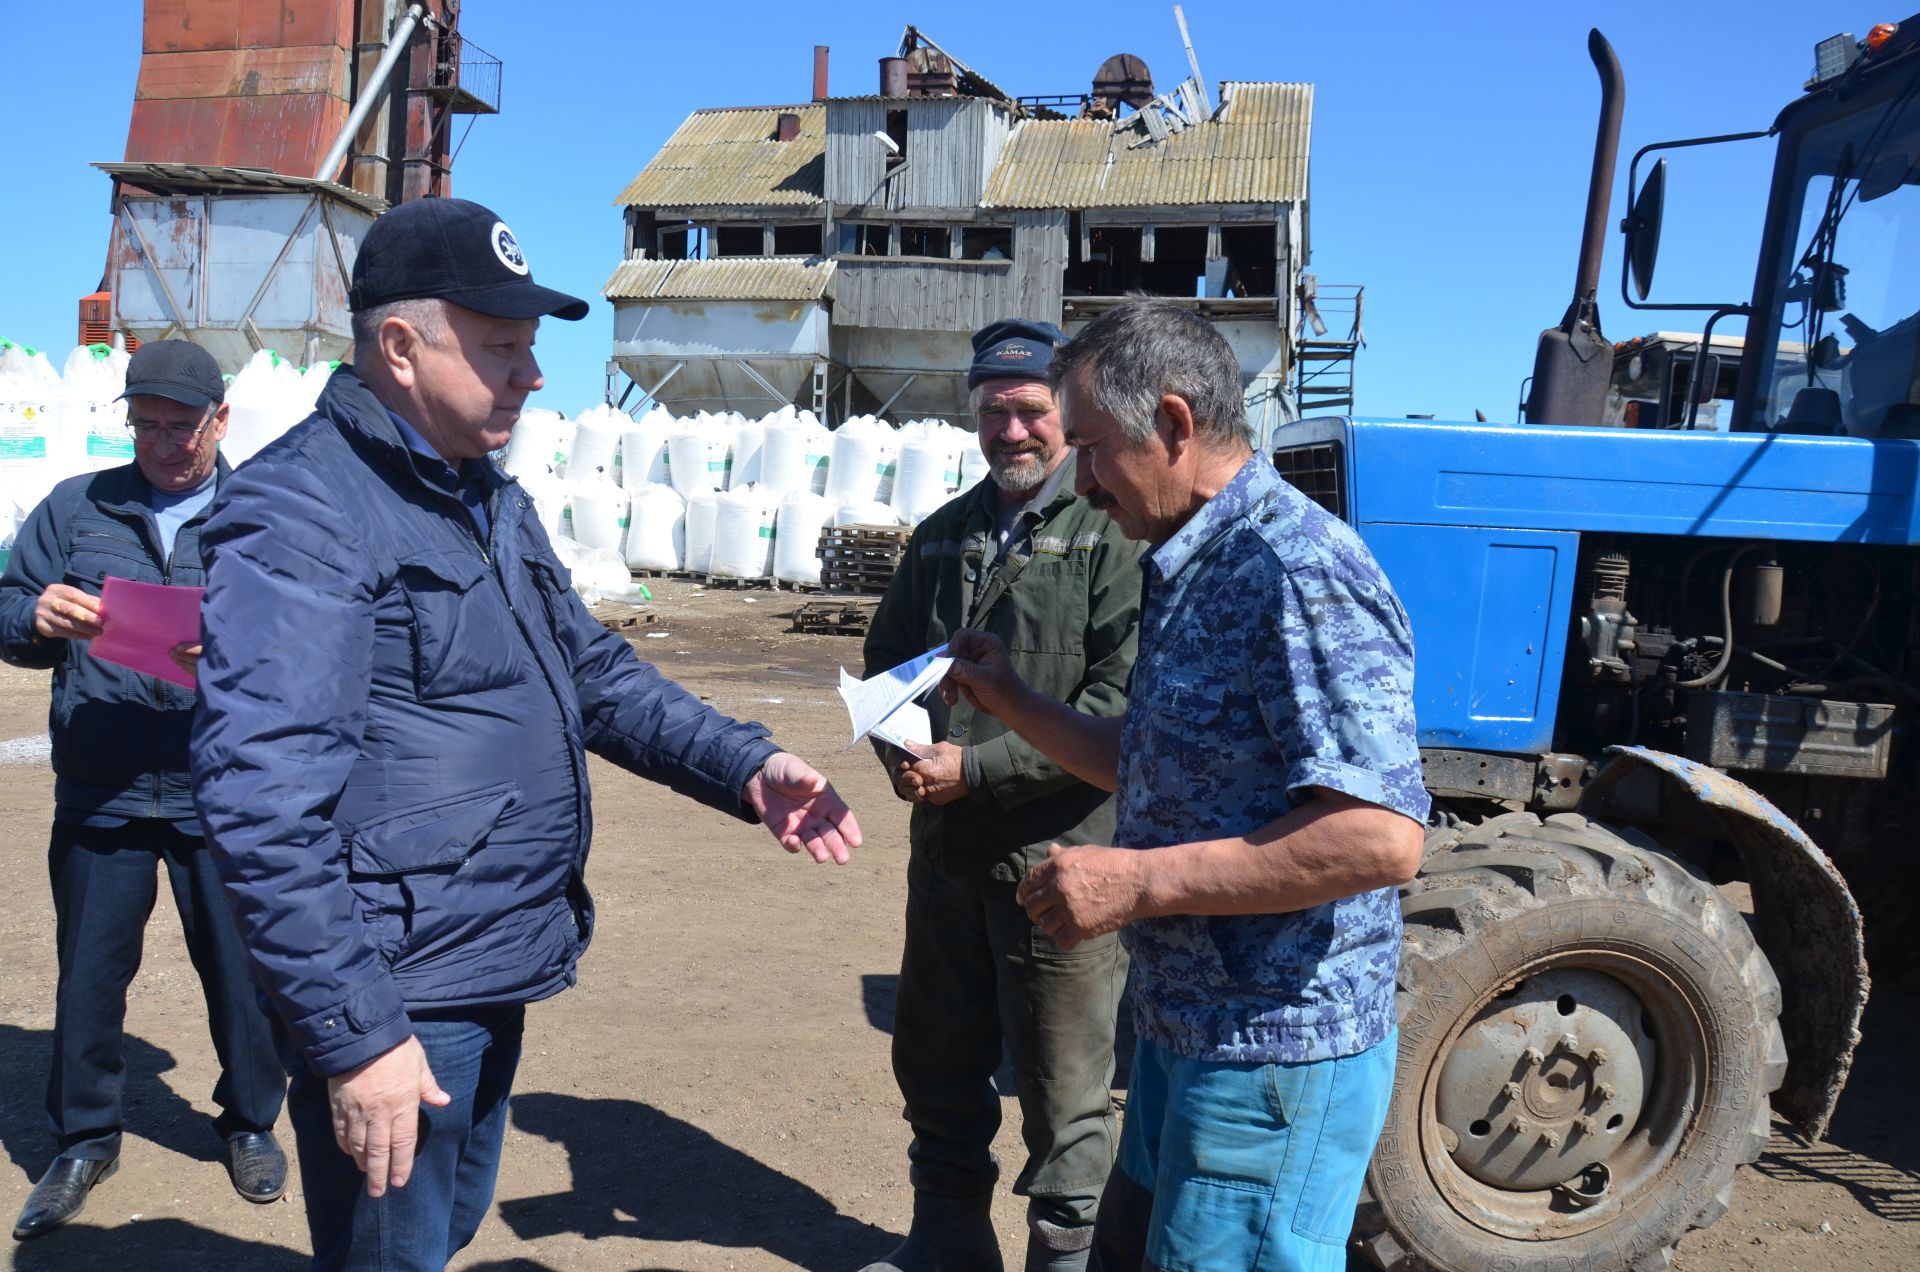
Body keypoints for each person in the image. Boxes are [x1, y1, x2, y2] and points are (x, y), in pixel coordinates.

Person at [186, 197, 862, 1272]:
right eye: (502, 349)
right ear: (400, 348)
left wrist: (742, 765)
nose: (533, 376)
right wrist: (359, 1038)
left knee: (438, 1236)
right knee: (390, 1258)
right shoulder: (304, 514)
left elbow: (591, 672)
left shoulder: (480, 496)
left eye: (530, 349)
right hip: (399, 986)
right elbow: (259, 803)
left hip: (485, 962)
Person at [940, 299, 1429, 1272]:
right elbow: (1157, 760)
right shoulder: (1187, 559)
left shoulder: (1292, 569)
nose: (1079, 480)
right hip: (1187, 1031)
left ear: (1172, 425)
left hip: (1274, 1049)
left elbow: (1381, 838)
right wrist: (1010, 698)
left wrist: (1138, 884)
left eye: (1091, 448)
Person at [859, 319, 1143, 1272]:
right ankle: (947, 1246)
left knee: (1066, 1095)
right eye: (993, 414)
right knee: (936, 1067)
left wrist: (976, 768)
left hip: (1061, 867)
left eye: (1030, 412)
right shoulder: (941, 539)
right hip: (945, 862)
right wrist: (904, 753)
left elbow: (1120, 707)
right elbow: (886, 665)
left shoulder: (1112, 534)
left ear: (1065, 414)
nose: (1012, 432)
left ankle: (1064, 1259)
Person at [0, 340, 288, 1241]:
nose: (164, 444)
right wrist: (34, 617)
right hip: (104, 784)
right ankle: (84, 1138)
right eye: (146, 425)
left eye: (182, 426)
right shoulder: (76, 507)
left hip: (224, 790)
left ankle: (249, 1122)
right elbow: (7, 605)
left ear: (221, 420)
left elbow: (318, 640)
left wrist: (242, 654)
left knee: (243, 977)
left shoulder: (265, 517)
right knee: (89, 975)